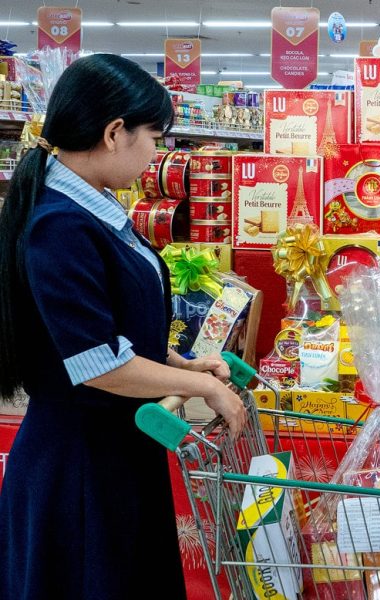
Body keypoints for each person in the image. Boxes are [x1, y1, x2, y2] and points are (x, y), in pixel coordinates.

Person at [0, 54, 247, 599]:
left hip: (117, 452)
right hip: (79, 470)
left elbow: (111, 328)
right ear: (115, 133)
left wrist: (181, 366)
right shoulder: (60, 226)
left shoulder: (95, 210)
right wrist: (201, 388)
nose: (157, 153)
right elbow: (98, 365)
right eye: (155, 138)